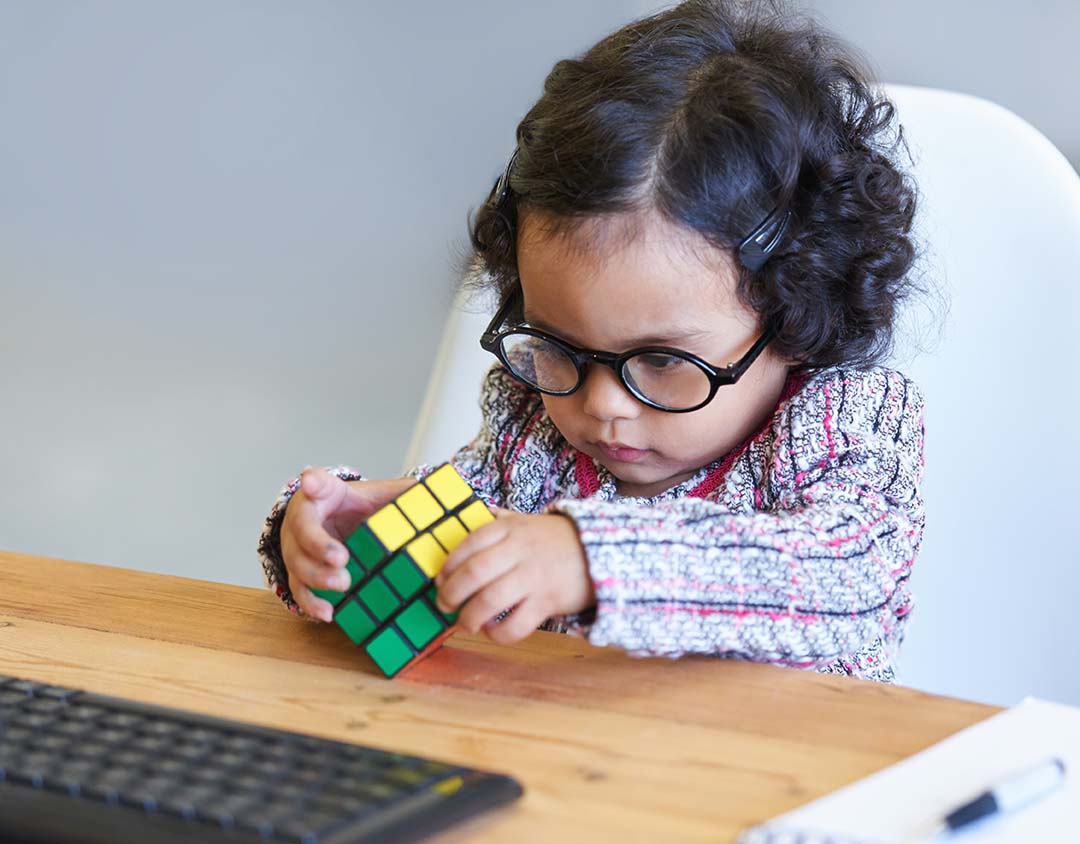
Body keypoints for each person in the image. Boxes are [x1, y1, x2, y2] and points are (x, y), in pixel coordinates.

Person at [258, 0, 926, 683]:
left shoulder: (845, 419)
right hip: (573, 765)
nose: (602, 404)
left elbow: (852, 577)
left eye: (663, 359)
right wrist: (335, 537)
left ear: (797, 308)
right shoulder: (534, 426)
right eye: (559, 345)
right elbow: (456, 532)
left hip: (788, 773)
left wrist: (588, 559)